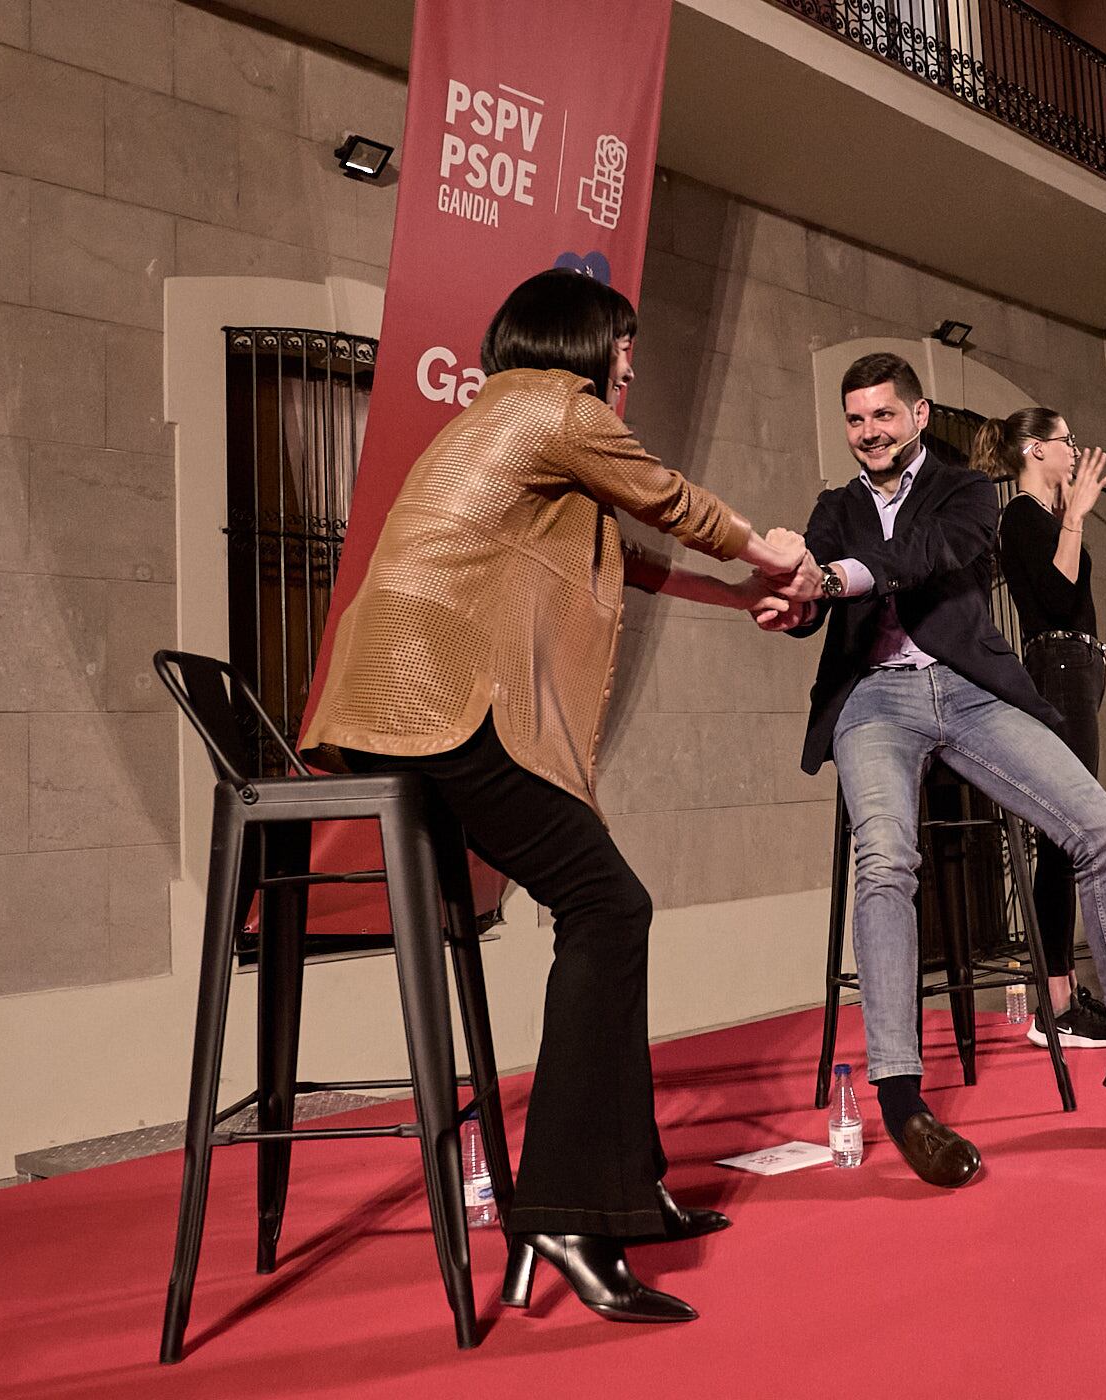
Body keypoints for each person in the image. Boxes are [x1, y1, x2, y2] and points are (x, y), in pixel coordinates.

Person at [303, 268, 822, 1323]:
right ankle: (567, 1213)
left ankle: (627, 1191)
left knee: (604, 906)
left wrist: (727, 587)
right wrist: (773, 550)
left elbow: (621, 550)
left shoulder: (502, 420)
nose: (630, 361)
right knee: (607, 903)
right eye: (622, 342)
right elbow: (668, 498)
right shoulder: (553, 406)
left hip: (405, 697)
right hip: (438, 694)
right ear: (578, 340)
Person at [752, 353, 1106, 1191]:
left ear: (919, 416)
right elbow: (811, 601)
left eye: (883, 417)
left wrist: (835, 576)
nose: (869, 434)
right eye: (855, 421)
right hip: (872, 702)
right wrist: (794, 598)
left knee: (1104, 831)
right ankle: (900, 1097)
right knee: (887, 859)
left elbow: (933, 554)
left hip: (968, 690)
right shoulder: (834, 508)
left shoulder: (966, 492)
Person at [973, 408, 1106, 1053]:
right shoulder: (1021, 518)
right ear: (1036, 450)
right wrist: (1076, 516)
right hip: (1057, 662)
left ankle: (1058, 995)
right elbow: (1057, 598)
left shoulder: (1045, 516)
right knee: (1069, 827)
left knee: (1073, 827)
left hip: (1077, 663)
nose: (1074, 450)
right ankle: (1054, 1005)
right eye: (1065, 441)